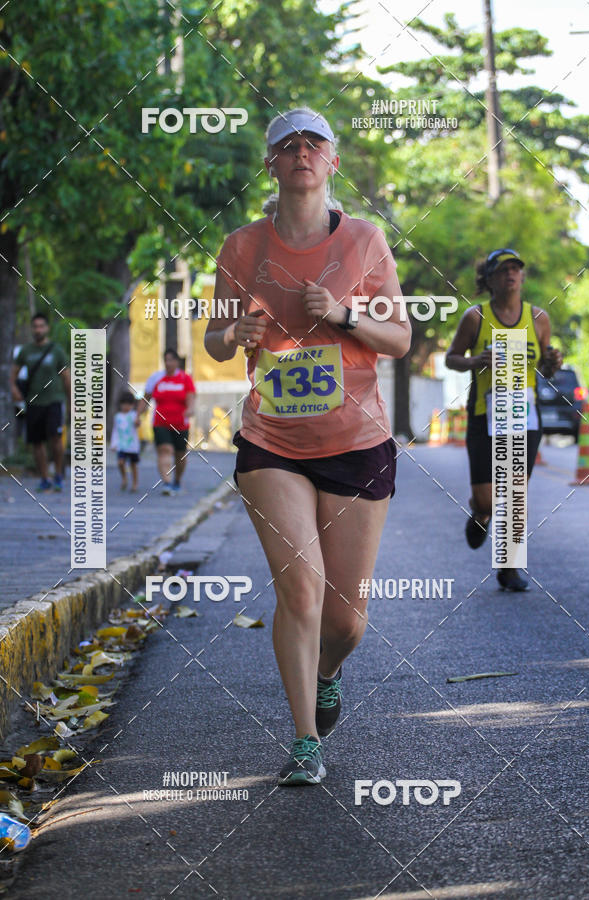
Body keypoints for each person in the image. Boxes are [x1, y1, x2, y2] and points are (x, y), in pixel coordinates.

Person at [205, 107, 411, 786]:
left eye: (313, 142)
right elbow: (211, 337)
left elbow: (400, 339)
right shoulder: (240, 248)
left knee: (346, 619)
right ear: (271, 164)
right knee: (301, 590)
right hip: (272, 440)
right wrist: (233, 338)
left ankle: (328, 672)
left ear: (332, 161)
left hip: (355, 441)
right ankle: (302, 742)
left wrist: (345, 315)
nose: (300, 151)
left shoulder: (365, 240)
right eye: (286, 144)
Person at [445, 248, 563, 591]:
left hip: (522, 417)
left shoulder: (538, 318)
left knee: (514, 495)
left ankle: (509, 567)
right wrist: (475, 361)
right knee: (487, 499)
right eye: (504, 270)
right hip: (484, 415)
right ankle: (480, 513)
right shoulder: (475, 317)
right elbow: (452, 358)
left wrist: (552, 362)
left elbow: (543, 367)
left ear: (522, 277)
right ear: (491, 279)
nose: (511, 274)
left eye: (516, 269)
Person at [10, 313, 70, 492]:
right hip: (33, 402)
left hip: (54, 400)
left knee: (56, 439)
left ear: (47, 328)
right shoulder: (26, 351)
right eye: (35, 326)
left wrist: (72, 402)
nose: (38, 330)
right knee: (37, 442)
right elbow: (12, 375)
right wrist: (14, 390)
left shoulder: (56, 350)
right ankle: (44, 477)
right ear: (31, 329)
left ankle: (58, 474)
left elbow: (66, 378)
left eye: (41, 326)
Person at [137, 349, 196, 495]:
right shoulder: (156, 378)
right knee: (165, 450)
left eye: (171, 360)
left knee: (180, 455)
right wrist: (138, 415)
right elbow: (146, 399)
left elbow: (191, 397)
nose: (168, 363)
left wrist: (190, 409)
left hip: (181, 424)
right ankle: (167, 483)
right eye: (166, 360)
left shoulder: (185, 378)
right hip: (160, 423)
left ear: (176, 362)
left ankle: (177, 480)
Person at [110, 391, 140, 492]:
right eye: (124, 404)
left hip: (132, 445)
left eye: (129, 404)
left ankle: (135, 483)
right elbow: (115, 431)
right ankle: (124, 478)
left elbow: (137, 424)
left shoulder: (134, 415)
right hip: (121, 445)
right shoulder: (117, 417)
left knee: (133, 465)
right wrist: (114, 443)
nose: (126, 406)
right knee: (120, 462)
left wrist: (137, 421)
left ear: (132, 405)